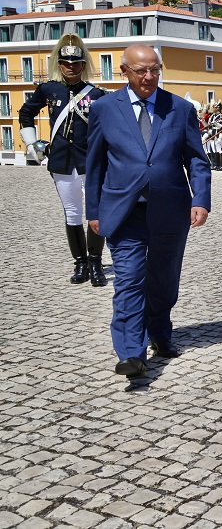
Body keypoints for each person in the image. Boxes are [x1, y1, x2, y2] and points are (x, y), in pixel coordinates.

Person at [85, 44, 211, 381]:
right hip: (124, 212)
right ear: (124, 71)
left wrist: (201, 199)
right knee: (128, 280)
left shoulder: (180, 108)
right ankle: (131, 353)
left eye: (155, 69)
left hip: (170, 210)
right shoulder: (104, 109)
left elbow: (197, 160)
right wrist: (93, 210)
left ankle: (160, 332)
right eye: (141, 70)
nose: (149, 77)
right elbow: (94, 163)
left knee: (164, 280)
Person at [19, 34, 110, 286]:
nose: (71, 67)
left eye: (76, 63)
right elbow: (26, 113)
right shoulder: (48, 89)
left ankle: (95, 263)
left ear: (83, 65)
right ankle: (80, 263)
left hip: (89, 161)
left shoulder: (97, 94)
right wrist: (34, 144)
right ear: (59, 64)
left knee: (96, 212)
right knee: (72, 212)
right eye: (66, 63)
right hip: (60, 159)